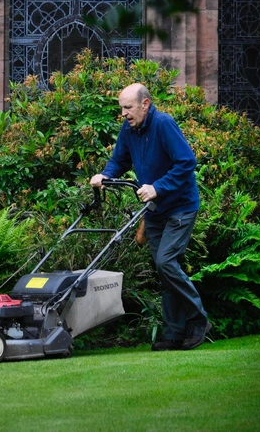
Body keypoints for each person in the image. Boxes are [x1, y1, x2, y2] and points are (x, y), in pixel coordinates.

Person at [90, 83, 211, 351]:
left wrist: (158, 187)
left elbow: (186, 162)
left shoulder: (163, 124)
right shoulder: (129, 130)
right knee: (165, 270)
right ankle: (173, 334)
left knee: (166, 263)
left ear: (145, 104)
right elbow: (119, 161)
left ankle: (198, 319)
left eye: (128, 107)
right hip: (154, 212)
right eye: (121, 108)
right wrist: (104, 175)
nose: (123, 113)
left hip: (180, 207)